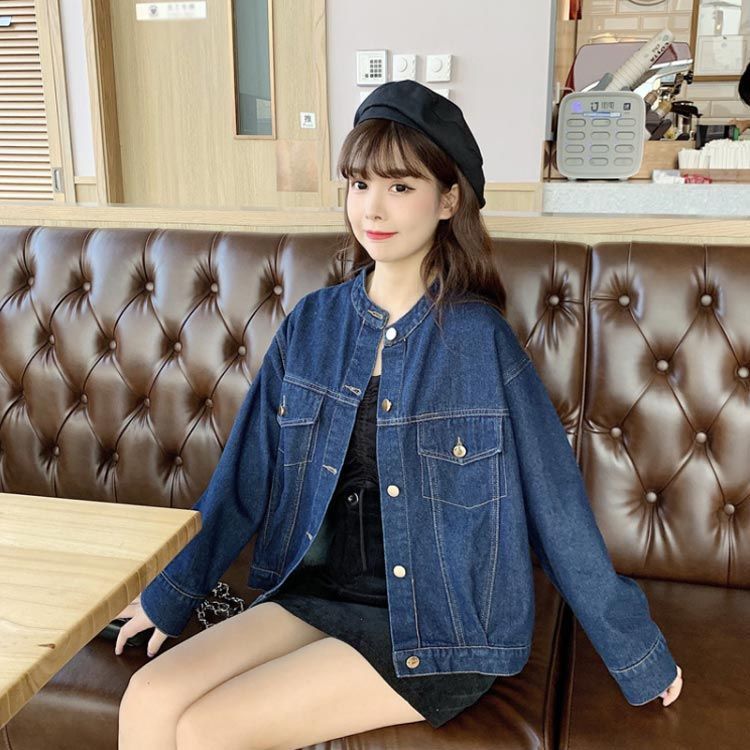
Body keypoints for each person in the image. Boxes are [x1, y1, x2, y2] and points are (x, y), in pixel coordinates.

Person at [116, 81, 683, 749]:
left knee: (209, 729)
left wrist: (637, 652)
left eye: (400, 186)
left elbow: (555, 508)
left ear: (448, 201)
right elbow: (244, 478)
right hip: (315, 591)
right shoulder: (312, 326)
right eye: (359, 184)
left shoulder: (480, 342)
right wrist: (171, 592)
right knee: (149, 697)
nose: (372, 207)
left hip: (440, 624)